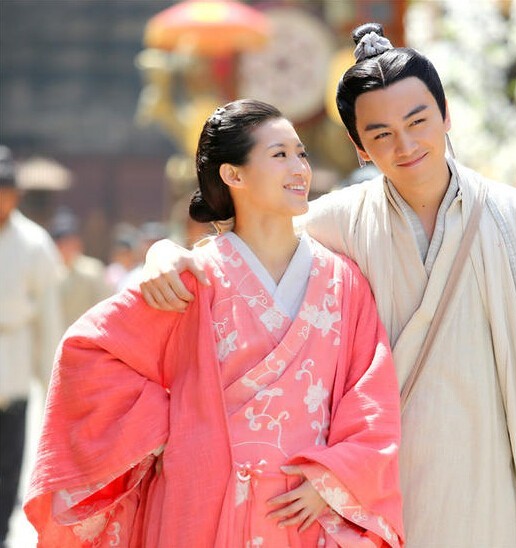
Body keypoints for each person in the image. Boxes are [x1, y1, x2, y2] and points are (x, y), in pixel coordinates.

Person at [139, 24, 516, 547]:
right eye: (381, 134)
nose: (406, 145)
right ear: (359, 146)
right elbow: (241, 249)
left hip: (504, 485)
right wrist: (163, 254)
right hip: (380, 497)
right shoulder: (337, 223)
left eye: (418, 121)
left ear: (446, 115)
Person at [24, 100, 404, 547]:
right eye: (280, 154)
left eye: (300, 153)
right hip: (200, 501)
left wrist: (334, 479)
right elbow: (87, 352)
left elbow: (371, 393)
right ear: (233, 175)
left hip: (304, 510)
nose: (299, 167)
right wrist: (177, 426)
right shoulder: (191, 276)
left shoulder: (343, 281)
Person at [0, 145, 64, 543]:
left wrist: (51, 381)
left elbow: (48, 317)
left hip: (14, 364)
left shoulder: (34, 242)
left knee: (9, 461)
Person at [49, 209, 113, 328]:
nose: (66, 245)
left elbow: (105, 306)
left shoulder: (93, 269)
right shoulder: (49, 271)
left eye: (69, 240)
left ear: (77, 242)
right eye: (61, 242)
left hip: (87, 332)